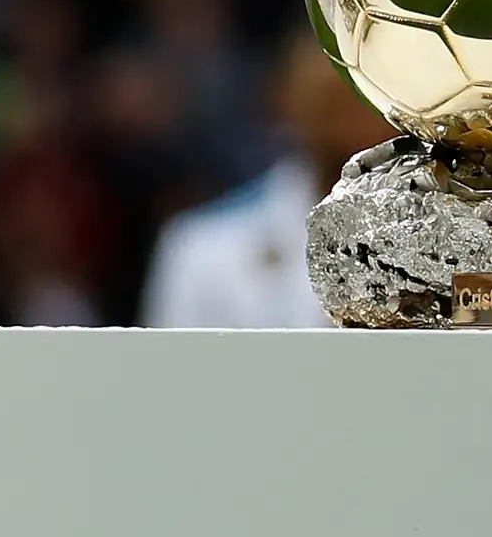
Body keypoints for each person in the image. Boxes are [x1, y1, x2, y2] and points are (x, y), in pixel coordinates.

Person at [138, 39, 387, 329]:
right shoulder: (204, 246)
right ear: (286, 101)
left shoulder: (435, 240)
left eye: (368, 101)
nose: (352, 125)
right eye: (333, 105)